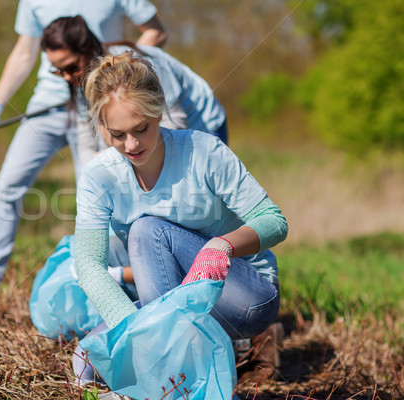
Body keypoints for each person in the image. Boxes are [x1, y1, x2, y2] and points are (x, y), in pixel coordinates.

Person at [73, 52, 288, 384]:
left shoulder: (204, 152)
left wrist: (222, 246)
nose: (131, 144)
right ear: (100, 125)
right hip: (172, 301)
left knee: (146, 231)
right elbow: (88, 263)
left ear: (159, 107)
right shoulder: (98, 177)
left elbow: (273, 220)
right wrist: (133, 328)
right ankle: (177, 356)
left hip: (243, 295)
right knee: (86, 361)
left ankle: (178, 374)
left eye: (141, 128)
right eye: (117, 134)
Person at [0, 0, 167, 296]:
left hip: (97, 105)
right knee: (7, 185)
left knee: (99, 196)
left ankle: (114, 283)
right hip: (45, 107)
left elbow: (155, 31)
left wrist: (120, 74)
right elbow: (25, 52)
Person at [40, 15, 228, 168]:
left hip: (202, 125)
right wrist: (91, 178)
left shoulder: (138, 66)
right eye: (59, 71)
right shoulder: (81, 83)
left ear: (88, 49)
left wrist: (121, 157)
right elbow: (86, 137)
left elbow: (175, 120)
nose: (66, 77)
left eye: (72, 67)